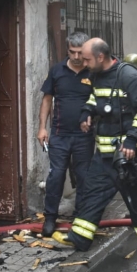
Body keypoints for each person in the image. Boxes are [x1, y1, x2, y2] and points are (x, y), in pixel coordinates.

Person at [64, 38, 137, 255]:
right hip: (104, 153)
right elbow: (94, 99)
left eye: (87, 59)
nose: (83, 63)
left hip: (129, 154)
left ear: (100, 57)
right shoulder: (96, 75)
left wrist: (132, 139)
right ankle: (79, 238)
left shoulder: (130, 77)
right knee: (92, 192)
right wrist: (87, 112)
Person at [36, 32, 94, 238]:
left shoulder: (92, 72)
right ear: (67, 49)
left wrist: (92, 117)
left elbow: (101, 101)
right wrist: (42, 127)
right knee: (56, 175)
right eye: (72, 52)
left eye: (80, 52)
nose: (77, 57)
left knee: (83, 176)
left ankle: (81, 217)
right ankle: (50, 218)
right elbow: (46, 100)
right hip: (59, 134)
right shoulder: (57, 71)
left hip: (84, 137)